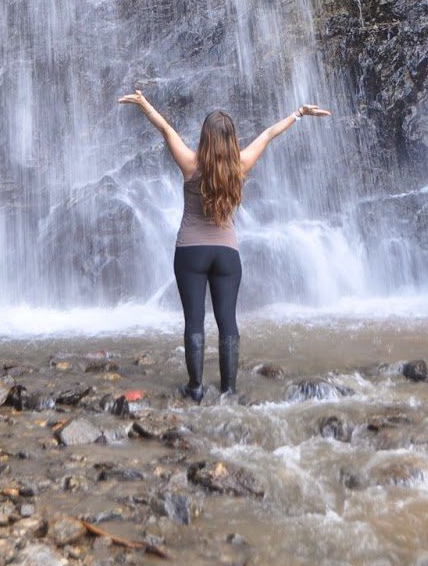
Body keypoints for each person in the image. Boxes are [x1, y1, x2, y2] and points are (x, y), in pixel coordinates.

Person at [117, 91, 331, 400]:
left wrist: (144, 104)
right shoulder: (240, 165)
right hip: (227, 254)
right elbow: (269, 134)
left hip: (190, 251)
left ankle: (196, 388)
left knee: (194, 320)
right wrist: (298, 113)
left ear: (204, 138)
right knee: (227, 320)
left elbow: (165, 129)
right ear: (231, 140)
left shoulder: (190, 164)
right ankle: (229, 389)